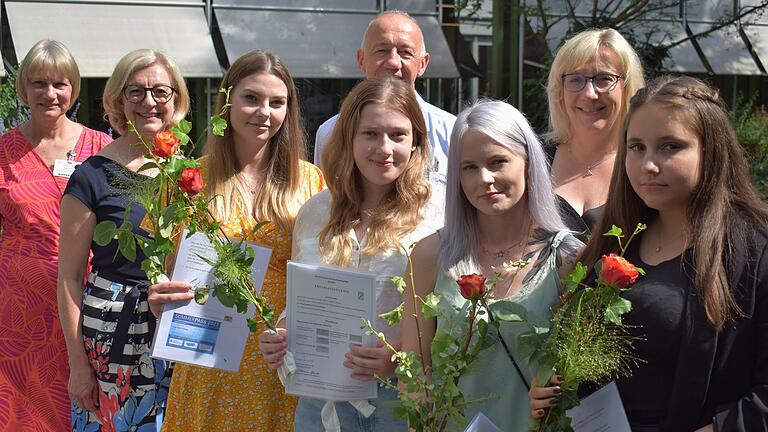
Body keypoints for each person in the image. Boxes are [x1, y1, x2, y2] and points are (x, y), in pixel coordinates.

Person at [530, 76, 768, 432]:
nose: (648, 165)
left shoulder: (753, 251)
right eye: (637, 147)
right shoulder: (616, 241)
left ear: (712, 149)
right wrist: (552, 389)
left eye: (670, 147)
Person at [146, 50, 325, 431]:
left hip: (281, 358)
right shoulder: (187, 178)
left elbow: (326, 270)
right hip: (208, 357)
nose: (264, 112)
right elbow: (163, 270)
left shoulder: (309, 181)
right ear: (226, 101)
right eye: (251, 98)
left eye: (277, 103)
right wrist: (161, 295)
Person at [259, 77, 443, 431]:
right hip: (320, 403)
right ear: (349, 138)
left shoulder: (438, 213)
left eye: (398, 135)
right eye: (370, 134)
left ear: (416, 141)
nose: (384, 148)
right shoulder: (315, 212)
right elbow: (301, 301)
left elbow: (451, 310)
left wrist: (402, 353)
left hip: (399, 400)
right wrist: (282, 335)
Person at [403, 100, 583, 431]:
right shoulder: (429, 256)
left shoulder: (567, 260)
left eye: (498, 162)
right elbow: (415, 373)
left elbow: (584, 378)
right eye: (468, 167)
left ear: (528, 162)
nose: (484, 178)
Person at [58, 49, 190, 431]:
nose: (149, 102)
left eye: (160, 92)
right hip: (111, 339)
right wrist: (78, 365)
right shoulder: (92, 176)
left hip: (177, 333)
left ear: (176, 100)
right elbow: (68, 276)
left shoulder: (192, 171)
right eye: (136, 92)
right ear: (118, 99)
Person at [0, 39, 112, 431]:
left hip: (89, 302)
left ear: (74, 89)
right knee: (24, 411)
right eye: (39, 83)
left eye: (60, 83)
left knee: (90, 403)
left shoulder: (102, 149)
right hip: (19, 312)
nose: (50, 93)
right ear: (24, 89)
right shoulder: (3, 152)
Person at [313, 10, 455, 189]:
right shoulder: (330, 133)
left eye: (405, 52)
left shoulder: (451, 133)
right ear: (361, 60)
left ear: (423, 64)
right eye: (381, 51)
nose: (393, 62)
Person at [546, 28, 644, 239]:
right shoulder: (532, 162)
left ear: (627, 87)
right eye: (575, 80)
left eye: (604, 78)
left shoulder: (646, 163)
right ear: (559, 90)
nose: (589, 94)